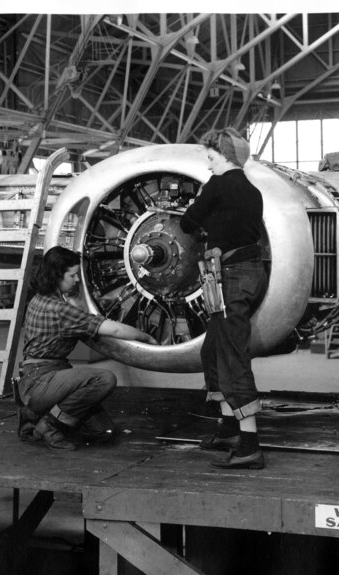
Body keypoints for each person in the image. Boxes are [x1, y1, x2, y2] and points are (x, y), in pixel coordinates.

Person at [180, 127, 268, 470]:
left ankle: (250, 444)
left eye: (211, 156)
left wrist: (199, 212)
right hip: (244, 273)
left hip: (230, 277)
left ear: (226, 156)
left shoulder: (218, 185)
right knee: (213, 350)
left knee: (232, 356)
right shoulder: (252, 190)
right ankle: (230, 427)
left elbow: (187, 223)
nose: (207, 161)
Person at [17, 246, 157, 451]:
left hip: (40, 376)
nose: (76, 280)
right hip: (41, 381)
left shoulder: (40, 298)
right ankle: (49, 424)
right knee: (104, 379)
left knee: (103, 431)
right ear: (57, 276)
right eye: (72, 275)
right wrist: (146, 337)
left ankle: (33, 415)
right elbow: (115, 331)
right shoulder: (60, 309)